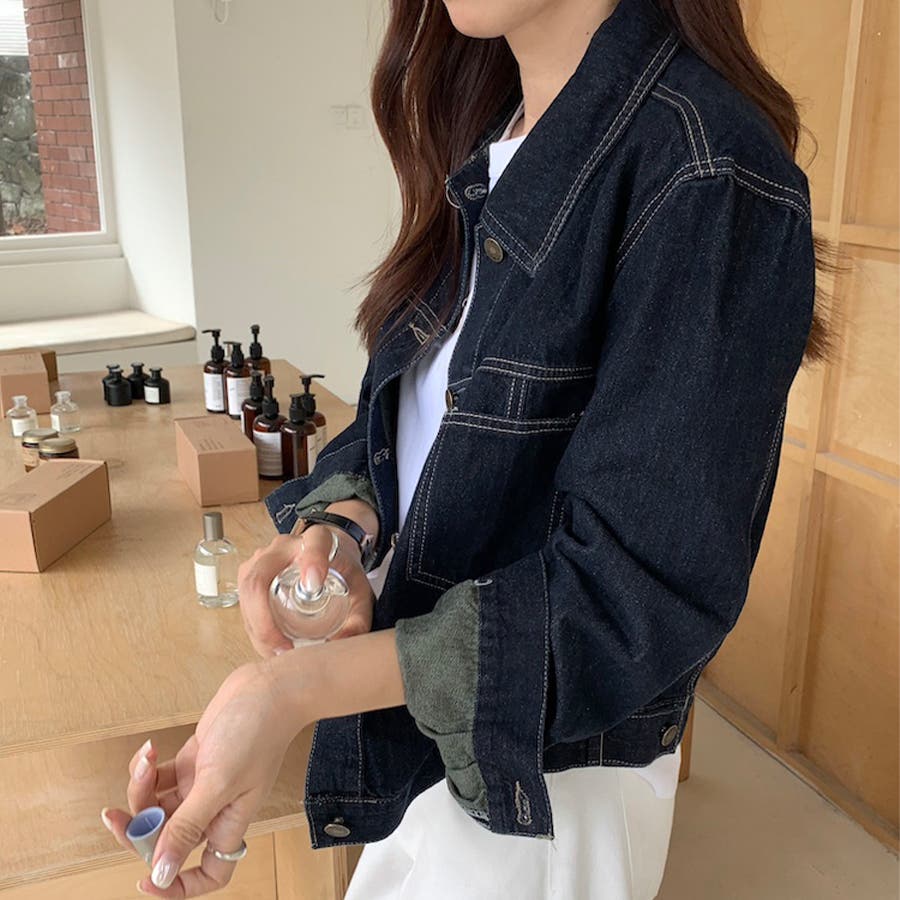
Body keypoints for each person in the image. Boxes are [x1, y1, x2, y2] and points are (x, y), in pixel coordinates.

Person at [100, 0, 835, 896]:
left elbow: (634, 599)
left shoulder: (706, 167)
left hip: (543, 796)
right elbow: (413, 423)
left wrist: (291, 691)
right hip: (424, 741)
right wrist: (344, 526)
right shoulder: (497, 140)